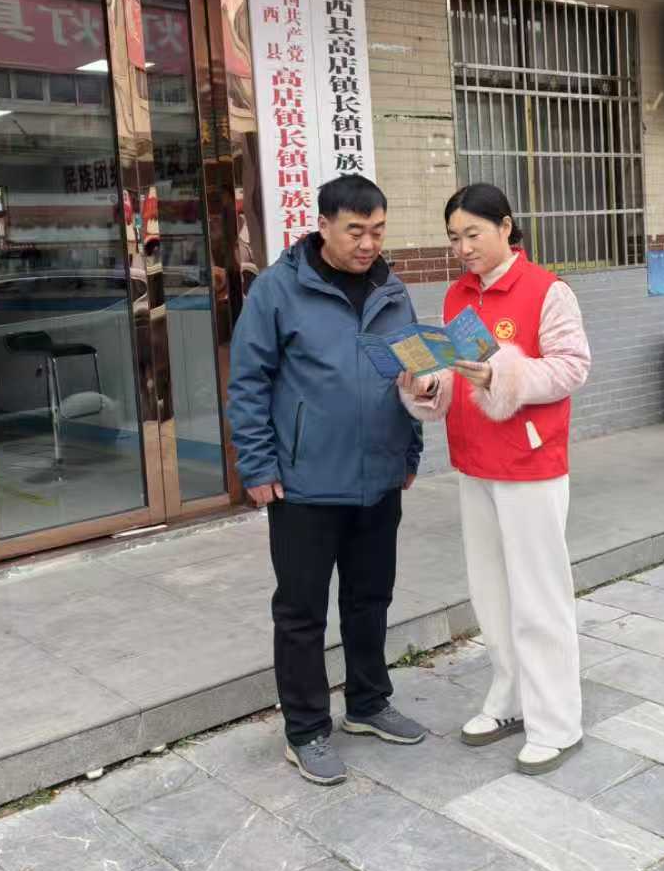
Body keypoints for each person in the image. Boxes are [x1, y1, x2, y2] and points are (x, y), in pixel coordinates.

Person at [226, 174, 428, 786]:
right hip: (304, 483)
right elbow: (248, 382)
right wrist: (258, 464)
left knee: (370, 600)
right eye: (355, 231)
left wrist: (411, 448)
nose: (368, 244)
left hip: (379, 477)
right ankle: (306, 729)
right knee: (301, 612)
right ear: (323, 226)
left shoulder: (391, 289)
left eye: (378, 231)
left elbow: (416, 373)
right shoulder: (277, 290)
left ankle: (367, 703)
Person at [400, 183, 591, 774]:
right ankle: (510, 698)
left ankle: (557, 721)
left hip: (530, 464)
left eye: (473, 234)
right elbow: (456, 373)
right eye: (454, 238)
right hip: (475, 461)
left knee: (539, 596)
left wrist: (501, 375)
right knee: (491, 591)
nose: (463, 248)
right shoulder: (458, 295)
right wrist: (428, 384)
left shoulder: (547, 291)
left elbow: (572, 367)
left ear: (506, 227)